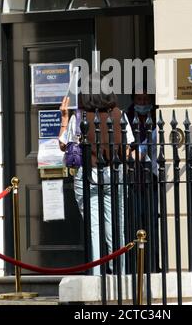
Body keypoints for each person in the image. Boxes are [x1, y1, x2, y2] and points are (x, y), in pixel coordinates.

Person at [59, 73, 134, 275]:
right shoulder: (120, 114)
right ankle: (119, 273)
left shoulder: (79, 116)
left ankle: (96, 275)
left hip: (88, 175)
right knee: (116, 227)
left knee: (94, 228)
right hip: (114, 173)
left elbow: (64, 145)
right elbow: (127, 150)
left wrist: (64, 119)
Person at [127, 84, 160, 272]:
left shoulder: (155, 119)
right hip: (132, 179)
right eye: (139, 100)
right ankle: (134, 265)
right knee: (134, 221)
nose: (142, 103)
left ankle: (153, 264)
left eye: (146, 100)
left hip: (152, 178)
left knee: (152, 222)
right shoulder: (127, 118)